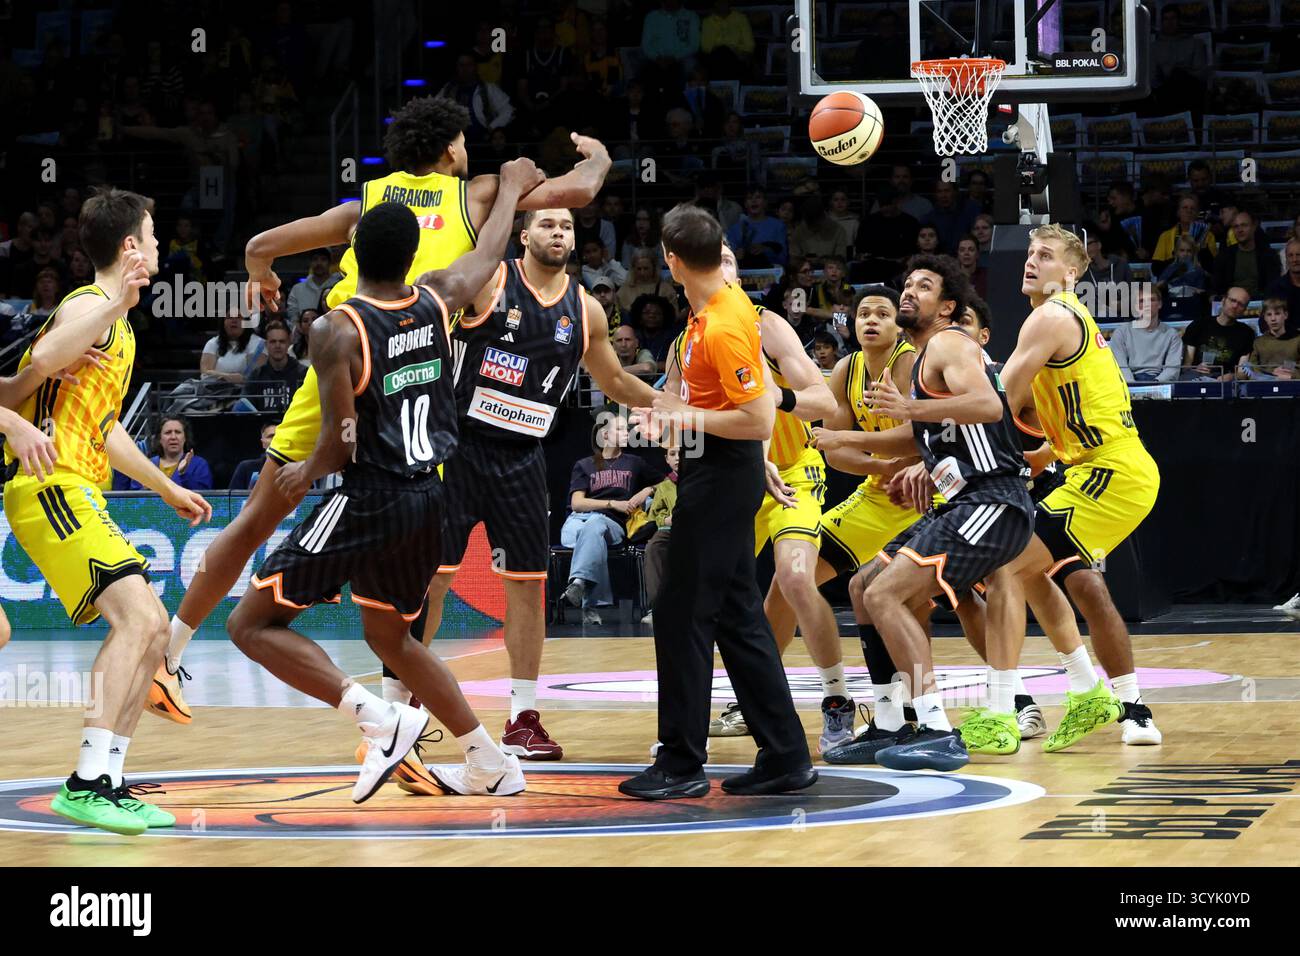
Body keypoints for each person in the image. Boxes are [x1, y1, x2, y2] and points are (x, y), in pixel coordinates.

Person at [164, 95, 611, 746]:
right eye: (463, 141)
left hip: (345, 361)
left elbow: (260, 246)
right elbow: (578, 190)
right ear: (452, 149)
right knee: (408, 554)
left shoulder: (362, 204)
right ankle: (409, 715)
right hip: (410, 380)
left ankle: (172, 653)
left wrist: (263, 280)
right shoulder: (479, 195)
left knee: (259, 515)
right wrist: (598, 158)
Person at [226, 192, 539, 803]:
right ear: (413, 254)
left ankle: (380, 717)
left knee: (250, 624)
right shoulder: (437, 298)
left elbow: (341, 442)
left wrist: (306, 471)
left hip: (371, 495)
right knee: (392, 639)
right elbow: (488, 251)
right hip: (430, 500)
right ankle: (491, 761)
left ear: (350, 253)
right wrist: (511, 186)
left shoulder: (335, 329)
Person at [3, 187, 212, 834]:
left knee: (150, 628)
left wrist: (164, 488)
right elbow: (42, 359)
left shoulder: (115, 322)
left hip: (81, 484)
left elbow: (105, 427)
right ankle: (88, 778)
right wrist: (115, 302)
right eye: (151, 237)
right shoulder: (92, 303)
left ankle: (109, 778)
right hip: (50, 486)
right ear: (130, 248)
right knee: (138, 617)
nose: (156, 247)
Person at [419, 206, 662, 762]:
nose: (560, 233)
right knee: (431, 579)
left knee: (528, 585)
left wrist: (674, 405)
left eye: (569, 227)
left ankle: (522, 719)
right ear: (523, 234)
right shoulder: (490, 279)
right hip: (456, 449)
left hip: (524, 457)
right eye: (549, 224)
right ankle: (404, 709)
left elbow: (618, 380)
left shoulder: (586, 307)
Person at [618, 204, 816, 800]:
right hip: (715, 469)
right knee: (737, 617)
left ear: (672, 262)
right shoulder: (708, 316)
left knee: (681, 614)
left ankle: (680, 764)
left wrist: (684, 414)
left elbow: (758, 421)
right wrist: (677, 422)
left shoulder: (728, 323)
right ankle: (784, 754)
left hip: (724, 475)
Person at [831, 255, 1035, 772]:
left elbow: (987, 406)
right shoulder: (925, 362)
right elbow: (917, 434)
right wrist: (843, 437)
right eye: (907, 284)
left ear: (947, 307)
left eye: (924, 286)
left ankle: (939, 730)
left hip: (995, 498)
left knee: (884, 592)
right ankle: (890, 722)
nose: (908, 292)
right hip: (965, 500)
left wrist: (911, 409)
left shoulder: (948, 342)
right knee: (863, 585)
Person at [967, 224, 1165, 758]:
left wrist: (933, 436)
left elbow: (996, 400)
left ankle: (1006, 711)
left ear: (1071, 274)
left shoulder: (1051, 315)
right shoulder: (1065, 321)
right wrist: (1039, 458)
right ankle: (1109, 699)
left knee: (1005, 565)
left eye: (1046, 255)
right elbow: (1085, 412)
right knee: (1057, 577)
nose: (1031, 261)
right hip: (1094, 468)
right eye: (1030, 253)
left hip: (1111, 474)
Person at [669, 241, 842, 751]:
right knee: (727, 602)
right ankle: (753, 707)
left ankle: (836, 703)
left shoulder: (766, 323)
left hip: (790, 473)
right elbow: (678, 417)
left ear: (739, 274)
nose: (719, 268)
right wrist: (675, 446)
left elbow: (825, 402)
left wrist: (775, 399)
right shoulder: (688, 338)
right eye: (712, 260)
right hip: (729, 481)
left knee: (793, 577)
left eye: (728, 260)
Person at [561, 417, 655, 625]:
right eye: (620, 428)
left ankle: (579, 585)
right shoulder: (585, 464)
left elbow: (666, 481)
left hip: (611, 526)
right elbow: (577, 503)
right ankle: (587, 601)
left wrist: (647, 490)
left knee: (596, 527)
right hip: (577, 523)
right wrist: (612, 503)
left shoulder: (634, 462)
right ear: (605, 435)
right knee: (594, 536)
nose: (626, 432)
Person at [113, 416, 213, 491]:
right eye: (168, 432)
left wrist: (183, 474)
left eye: (178, 432)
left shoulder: (199, 465)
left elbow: (204, 497)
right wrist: (144, 490)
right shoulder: (146, 465)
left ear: (185, 437)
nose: (173, 437)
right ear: (160, 439)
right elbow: (131, 499)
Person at [1109, 284, 1184, 383]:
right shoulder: (1121, 333)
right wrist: (1134, 386)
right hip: (1130, 380)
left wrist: (1156, 384)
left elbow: (1172, 369)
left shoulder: (1172, 335)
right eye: (1141, 301)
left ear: (1160, 304)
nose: (1147, 304)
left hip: (1159, 381)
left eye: (1152, 300)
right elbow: (1120, 366)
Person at [641, 443, 679, 625]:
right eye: (673, 454)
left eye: (681, 453)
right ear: (667, 459)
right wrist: (666, 519)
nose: (677, 458)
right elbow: (656, 515)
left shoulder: (699, 480)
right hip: (670, 529)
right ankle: (657, 607)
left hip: (697, 528)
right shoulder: (664, 486)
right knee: (654, 547)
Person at [1182, 286, 1256, 381]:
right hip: (1196, 377)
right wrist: (1195, 368)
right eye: (1232, 300)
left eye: (1241, 304)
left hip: (1226, 382)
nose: (1235, 306)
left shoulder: (1247, 333)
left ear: (1244, 310)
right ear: (1223, 300)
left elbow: (1242, 374)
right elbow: (1185, 367)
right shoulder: (1199, 325)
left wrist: (1232, 376)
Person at [1213, 209, 1280, 298]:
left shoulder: (1269, 255)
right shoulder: (1224, 256)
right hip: (1232, 305)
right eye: (1236, 227)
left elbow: (1273, 287)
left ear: (1254, 226)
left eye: (1244, 225)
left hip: (1262, 304)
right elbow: (1217, 287)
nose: (1240, 230)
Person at [244, 320, 306, 413]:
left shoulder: (303, 374)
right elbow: (245, 408)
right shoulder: (256, 376)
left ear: (289, 343)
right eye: (273, 342)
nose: (278, 346)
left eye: (282, 341)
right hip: (263, 426)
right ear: (266, 345)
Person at [201, 310, 265, 384]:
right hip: (216, 391)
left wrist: (218, 376)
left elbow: (254, 376)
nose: (234, 320)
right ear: (223, 323)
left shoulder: (258, 343)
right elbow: (205, 372)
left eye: (238, 317)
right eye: (229, 317)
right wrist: (228, 377)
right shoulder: (212, 343)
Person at [1241, 298, 1300, 379]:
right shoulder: (1259, 342)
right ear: (1264, 317)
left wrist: (1291, 375)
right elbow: (1253, 369)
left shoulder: (1297, 339)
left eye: (1277, 314)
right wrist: (1272, 373)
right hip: (1266, 386)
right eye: (1269, 314)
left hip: (1293, 385)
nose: (1273, 319)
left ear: (1285, 315)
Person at [285, 248, 337, 323]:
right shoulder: (297, 289)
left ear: (329, 263)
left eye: (323, 259)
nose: (319, 263)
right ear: (310, 263)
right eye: (315, 259)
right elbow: (293, 316)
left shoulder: (339, 287)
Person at [229, 421, 279, 490]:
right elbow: (233, 499)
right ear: (263, 443)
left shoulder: (296, 468)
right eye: (271, 436)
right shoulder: (245, 467)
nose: (276, 439)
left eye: (280, 436)